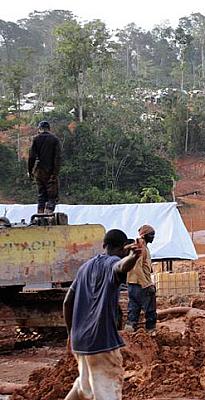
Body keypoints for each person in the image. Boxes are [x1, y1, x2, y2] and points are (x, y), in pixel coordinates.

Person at [63, 229, 142, 400]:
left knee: (83, 388)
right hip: (101, 342)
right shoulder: (113, 262)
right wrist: (133, 257)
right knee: (108, 392)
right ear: (122, 248)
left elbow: (67, 302)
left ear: (104, 245)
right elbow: (120, 267)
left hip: (80, 342)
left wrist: (71, 334)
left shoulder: (85, 267)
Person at [125, 225, 157, 335]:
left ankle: (129, 333)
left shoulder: (139, 246)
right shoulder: (140, 247)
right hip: (140, 285)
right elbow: (137, 267)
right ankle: (151, 332)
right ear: (145, 235)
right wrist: (147, 285)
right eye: (151, 234)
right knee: (150, 309)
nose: (153, 237)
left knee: (133, 309)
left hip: (132, 284)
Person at [28, 120, 62, 214]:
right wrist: (54, 174)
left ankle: (40, 216)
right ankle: (48, 216)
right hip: (51, 171)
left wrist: (30, 171)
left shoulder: (36, 139)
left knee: (41, 195)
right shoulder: (54, 139)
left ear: (39, 129)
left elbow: (31, 157)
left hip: (39, 172)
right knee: (52, 196)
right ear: (49, 129)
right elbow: (57, 158)